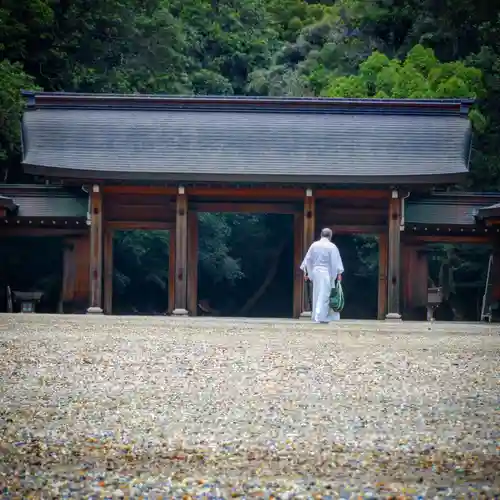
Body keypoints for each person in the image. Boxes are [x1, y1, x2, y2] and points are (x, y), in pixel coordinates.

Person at [300, 228, 344, 323]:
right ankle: (320, 316)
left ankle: (317, 315)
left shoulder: (314, 245)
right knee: (324, 294)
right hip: (326, 272)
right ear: (330, 236)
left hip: (315, 272)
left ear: (321, 235)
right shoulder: (332, 246)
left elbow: (308, 260)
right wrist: (338, 273)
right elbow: (335, 261)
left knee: (317, 293)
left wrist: (307, 272)